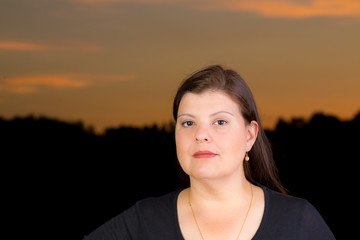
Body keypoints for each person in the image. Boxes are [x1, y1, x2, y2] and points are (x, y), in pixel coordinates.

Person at [83, 65, 335, 240]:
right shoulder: (144, 220)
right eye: (188, 122)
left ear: (249, 135)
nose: (201, 134)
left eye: (220, 122)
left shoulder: (298, 220)